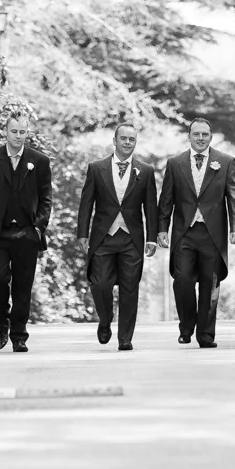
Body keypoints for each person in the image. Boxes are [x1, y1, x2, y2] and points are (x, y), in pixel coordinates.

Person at [157, 118, 235, 348]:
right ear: (189, 136)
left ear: (211, 136)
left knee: (210, 286)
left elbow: (234, 197)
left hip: (212, 234)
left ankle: (205, 335)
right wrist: (162, 229)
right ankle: (186, 325)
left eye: (205, 134)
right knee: (182, 280)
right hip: (184, 233)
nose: (201, 138)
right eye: (196, 134)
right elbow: (166, 199)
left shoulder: (225, 162)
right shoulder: (175, 163)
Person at [77, 123, 158, 351]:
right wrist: (82, 233)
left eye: (132, 139)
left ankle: (125, 338)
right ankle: (105, 319)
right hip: (103, 237)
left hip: (132, 239)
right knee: (100, 284)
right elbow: (86, 203)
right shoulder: (97, 168)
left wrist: (151, 238)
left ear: (135, 142)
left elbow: (151, 207)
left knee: (130, 288)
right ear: (114, 140)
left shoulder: (146, 171)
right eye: (123, 138)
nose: (127, 142)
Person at [0, 113, 53, 353]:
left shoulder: (39, 161)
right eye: (14, 131)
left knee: (23, 287)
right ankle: (3, 321)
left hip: (27, 234)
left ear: (27, 132)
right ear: (6, 132)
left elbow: (46, 199)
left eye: (22, 132)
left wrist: (38, 228)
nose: (18, 136)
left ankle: (19, 336)